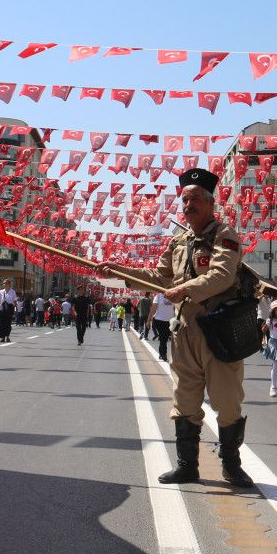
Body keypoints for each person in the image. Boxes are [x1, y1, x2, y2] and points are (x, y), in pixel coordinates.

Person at [97, 167, 254, 487]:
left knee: (226, 401)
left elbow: (223, 276)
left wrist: (185, 290)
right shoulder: (178, 242)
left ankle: (231, 464)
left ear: (211, 203)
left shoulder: (225, 236)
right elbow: (158, 277)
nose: (188, 205)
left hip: (219, 330)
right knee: (184, 400)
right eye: (184, 200)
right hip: (185, 331)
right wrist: (119, 270)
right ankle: (187, 465)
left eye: (195, 199)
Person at [147, 290, 175, 361]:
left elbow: (175, 308)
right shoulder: (158, 296)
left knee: (165, 338)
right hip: (159, 320)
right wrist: (148, 320)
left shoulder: (173, 295)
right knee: (163, 338)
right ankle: (163, 354)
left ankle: (162, 353)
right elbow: (153, 309)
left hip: (170, 321)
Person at [0, 278, 17, 343]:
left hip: (9, 309)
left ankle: (7, 336)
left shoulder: (12, 291)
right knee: (2, 324)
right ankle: (2, 337)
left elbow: (15, 300)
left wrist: (14, 305)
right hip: (2, 309)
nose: (5, 284)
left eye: (6, 283)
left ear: (9, 284)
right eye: (4, 283)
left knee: (8, 324)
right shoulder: (1, 291)